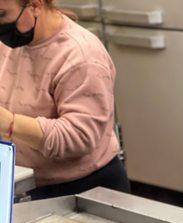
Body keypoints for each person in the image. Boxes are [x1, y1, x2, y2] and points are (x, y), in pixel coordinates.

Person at [0, 0, 130, 200]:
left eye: (1, 15)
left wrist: (10, 124)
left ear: (35, 5)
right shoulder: (13, 40)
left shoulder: (82, 56)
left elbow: (79, 137)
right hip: (27, 183)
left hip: (84, 190)